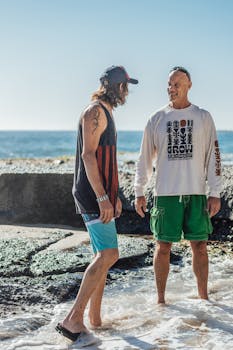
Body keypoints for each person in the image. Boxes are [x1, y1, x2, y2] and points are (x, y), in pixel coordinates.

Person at [56, 65, 138, 345]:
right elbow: (88, 156)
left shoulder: (106, 112)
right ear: (118, 86)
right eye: (126, 86)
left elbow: (106, 159)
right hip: (92, 193)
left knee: (101, 256)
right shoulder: (95, 112)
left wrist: (114, 196)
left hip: (101, 192)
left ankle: (95, 320)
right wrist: (103, 197)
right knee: (108, 255)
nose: (127, 92)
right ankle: (73, 319)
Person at [134, 66, 221, 304]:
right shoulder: (157, 119)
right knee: (163, 247)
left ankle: (204, 299)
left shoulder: (203, 117)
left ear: (189, 85)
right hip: (165, 194)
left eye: (176, 84)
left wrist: (215, 192)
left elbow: (214, 155)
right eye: (169, 84)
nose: (171, 88)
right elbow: (144, 158)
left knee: (200, 247)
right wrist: (139, 190)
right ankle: (160, 301)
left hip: (196, 193)